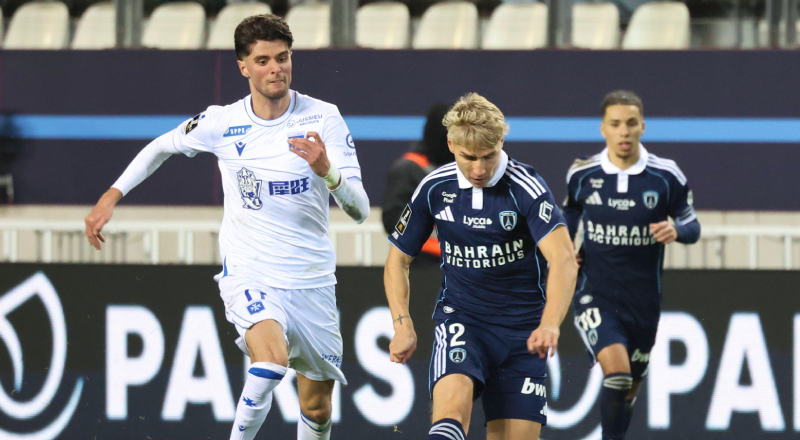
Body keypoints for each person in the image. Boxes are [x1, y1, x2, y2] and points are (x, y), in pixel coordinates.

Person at [83, 15, 369, 440]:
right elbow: (160, 147)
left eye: (283, 58)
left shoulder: (323, 118)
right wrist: (111, 196)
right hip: (250, 271)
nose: (276, 68)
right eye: (263, 60)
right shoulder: (222, 122)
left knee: (317, 406)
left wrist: (328, 171)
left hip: (311, 280)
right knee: (269, 363)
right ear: (243, 67)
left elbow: (361, 210)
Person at [384, 93, 578, 440]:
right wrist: (402, 323)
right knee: (450, 418)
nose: (478, 169)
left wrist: (550, 324)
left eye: (488, 157)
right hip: (463, 321)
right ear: (450, 144)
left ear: (502, 142)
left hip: (523, 335)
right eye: (468, 157)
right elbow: (398, 258)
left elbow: (563, 259)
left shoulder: (525, 188)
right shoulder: (434, 187)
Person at [562, 90, 700, 440]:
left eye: (631, 124)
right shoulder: (583, 173)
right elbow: (569, 217)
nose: (624, 131)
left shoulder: (666, 175)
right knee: (618, 375)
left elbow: (692, 225)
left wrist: (676, 230)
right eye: (615, 124)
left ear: (643, 127)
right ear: (603, 129)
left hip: (642, 303)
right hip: (595, 294)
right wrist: (565, 251)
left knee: (628, 391)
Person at [381, 103, 453, 265]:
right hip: (421, 263)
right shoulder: (407, 169)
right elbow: (393, 221)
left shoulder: (466, 170)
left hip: (460, 263)